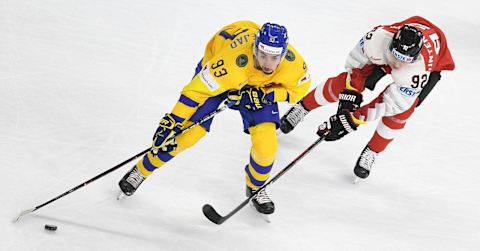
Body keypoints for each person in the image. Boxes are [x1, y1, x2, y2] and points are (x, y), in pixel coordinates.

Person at [118, 21, 311, 215]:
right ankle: (141, 171)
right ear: (254, 49)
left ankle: (256, 187)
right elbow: (195, 92)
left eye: (274, 58)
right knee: (187, 135)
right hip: (222, 79)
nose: (268, 64)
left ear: (284, 54)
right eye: (262, 56)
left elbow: (299, 89)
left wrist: (267, 95)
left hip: (258, 89)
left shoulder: (293, 64)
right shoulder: (228, 63)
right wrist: (173, 121)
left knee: (267, 145)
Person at [280, 16, 455, 180]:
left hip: (434, 61)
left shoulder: (417, 70)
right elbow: (355, 68)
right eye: (396, 56)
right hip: (392, 48)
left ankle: (373, 150)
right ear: (392, 42)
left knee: (403, 111)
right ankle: (303, 107)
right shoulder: (377, 39)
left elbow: (392, 103)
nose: (397, 64)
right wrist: (346, 104)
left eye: (404, 60)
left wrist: (353, 119)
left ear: (414, 57)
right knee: (343, 83)